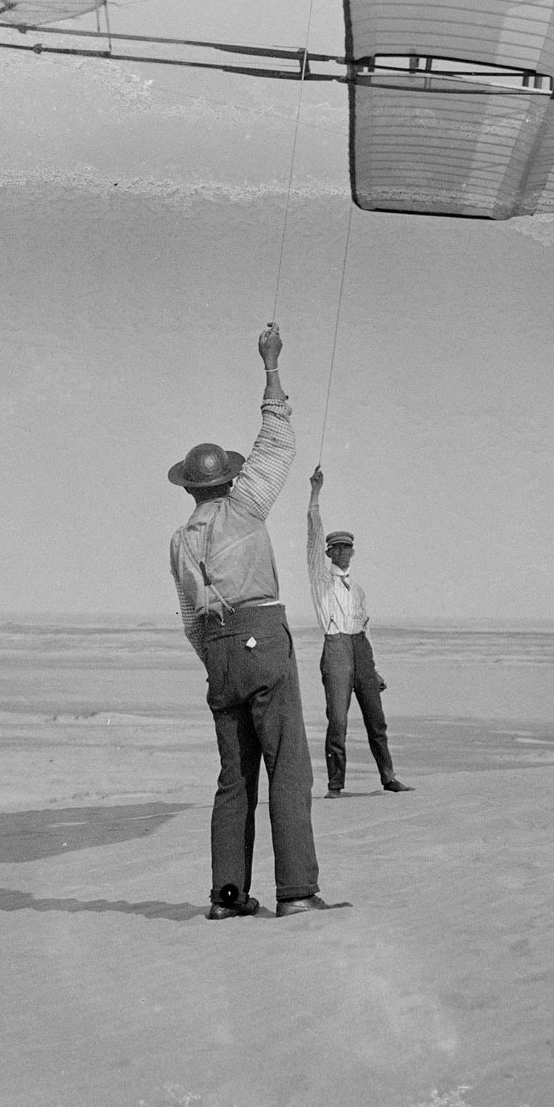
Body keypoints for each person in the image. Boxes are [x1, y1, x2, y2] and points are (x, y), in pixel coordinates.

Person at [169, 323, 330, 919]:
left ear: (190, 488)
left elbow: (190, 617)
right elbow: (278, 441)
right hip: (260, 635)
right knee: (288, 764)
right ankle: (297, 892)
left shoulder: (181, 539)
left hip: (216, 649)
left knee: (234, 776)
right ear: (228, 479)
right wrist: (270, 364)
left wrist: (216, 655)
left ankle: (227, 896)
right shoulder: (245, 505)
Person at [307, 465, 413, 799]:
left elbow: (364, 632)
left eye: (345, 548)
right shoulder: (321, 580)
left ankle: (389, 776)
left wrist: (373, 668)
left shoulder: (359, 590)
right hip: (336, 649)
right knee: (337, 721)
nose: (340, 553)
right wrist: (315, 493)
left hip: (360, 650)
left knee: (376, 720)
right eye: (334, 549)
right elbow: (312, 534)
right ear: (328, 554)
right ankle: (335, 785)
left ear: (352, 551)